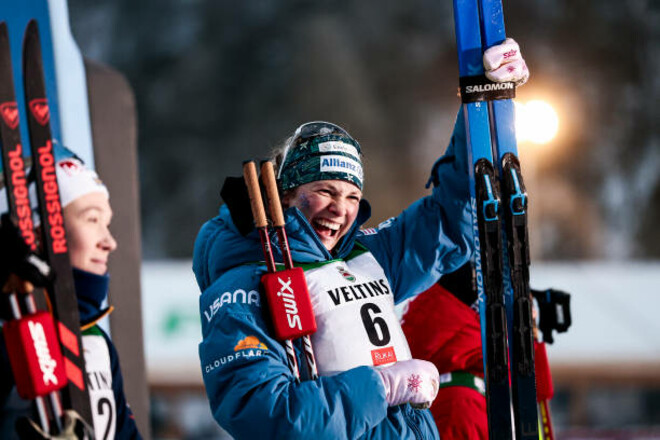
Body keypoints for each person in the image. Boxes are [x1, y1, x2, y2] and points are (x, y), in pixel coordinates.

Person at [193, 39, 529, 439]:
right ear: (285, 194)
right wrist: (381, 387)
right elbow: (269, 416)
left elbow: (449, 219)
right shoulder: (245, 284)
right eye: (325, 191)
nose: (340, 209)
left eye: (352, 196)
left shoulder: (366, 253)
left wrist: (484, 103)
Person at [0, 156, 142, 439]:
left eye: (107, 223)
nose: (109, 241)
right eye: (92, 219)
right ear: (40, 232)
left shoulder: (96, 340)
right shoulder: (8, 331)